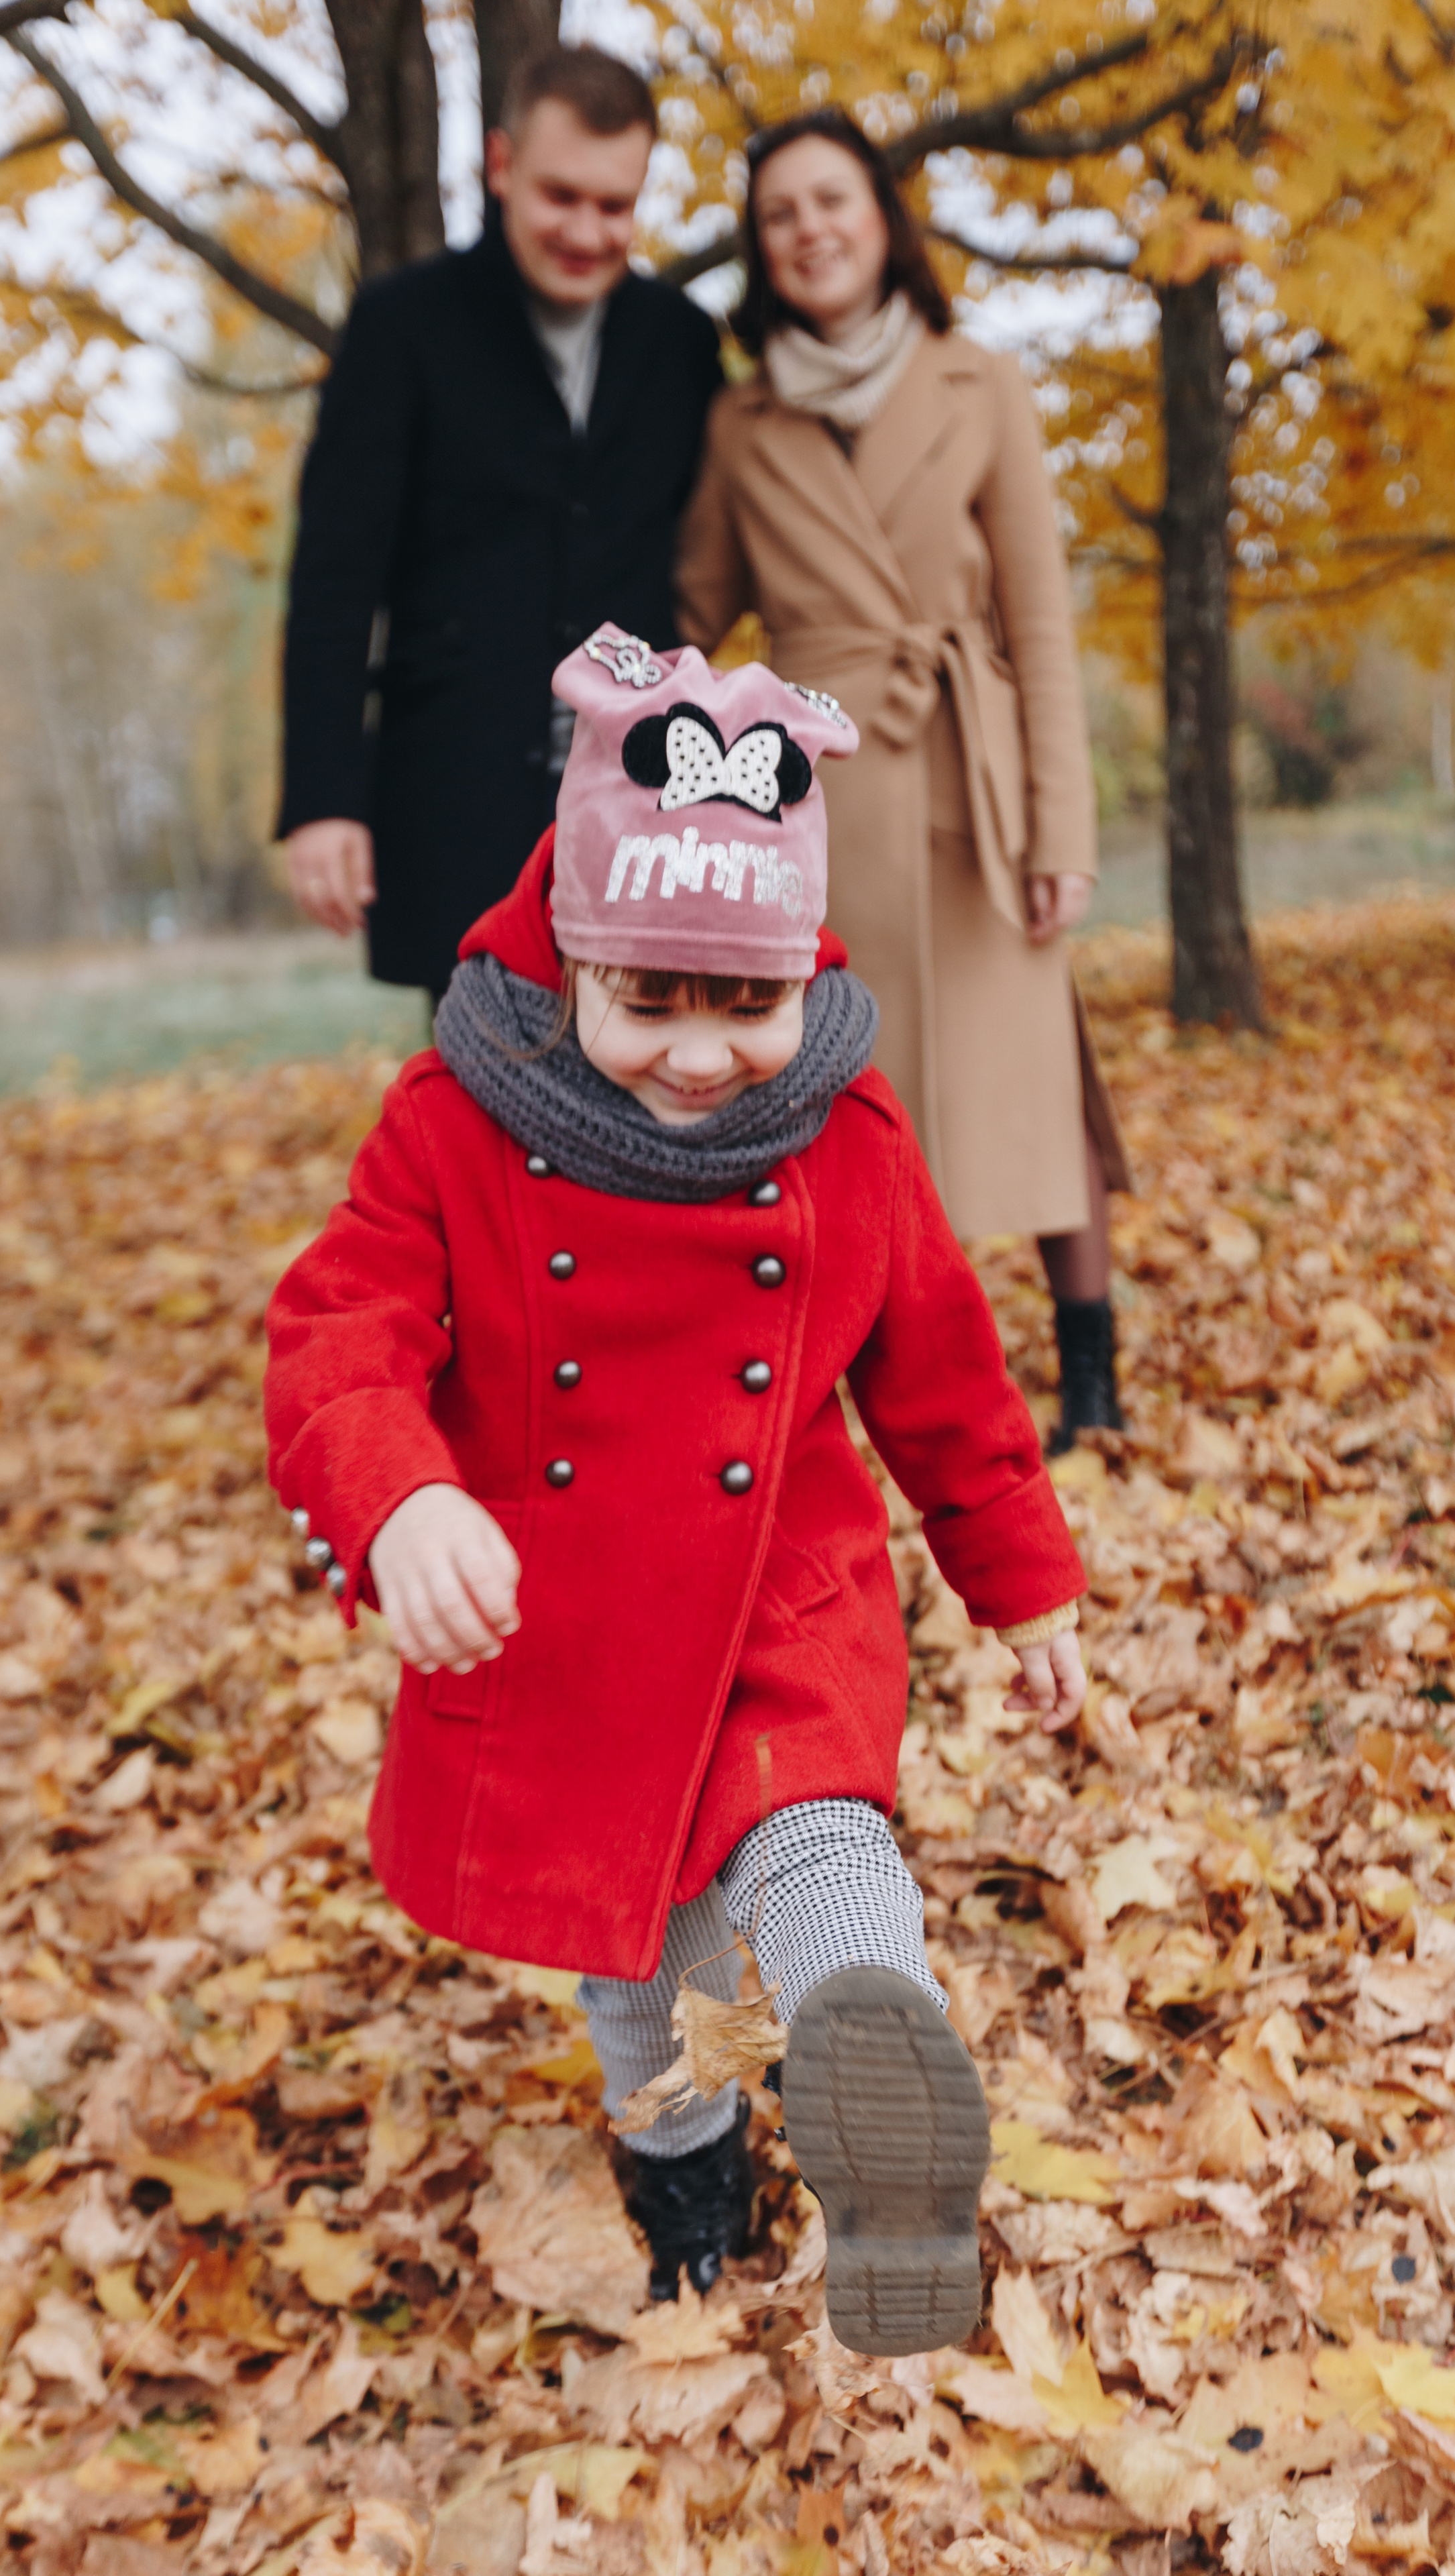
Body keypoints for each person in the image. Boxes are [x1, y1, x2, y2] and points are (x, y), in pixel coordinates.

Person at [265, 625, 1088, 2354]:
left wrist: (1019, 1580)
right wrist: (399, 1499)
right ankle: (689, 2167)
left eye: (746, 1005)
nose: (702, 1056)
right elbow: (337, 1332)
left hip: (781, 1599)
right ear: (570, 956)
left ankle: (877, 2071)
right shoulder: (456, 1123)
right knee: (644, 1977)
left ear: (802, 972)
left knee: (819, 1837)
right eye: (648, 1000)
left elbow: (938, 1370)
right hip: (558, 1616)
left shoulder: (842, 1133)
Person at [674, 108, 1132, 1450]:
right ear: (763, 250)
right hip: (815, 803)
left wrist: (1061, 825)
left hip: (970, 778)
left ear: (879, 219)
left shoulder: (975, 383)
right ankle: (863, 1381)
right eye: (780, 214)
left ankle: (1089, 1376)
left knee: (1027, 1074)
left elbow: (1038, 623)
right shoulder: (740, 423)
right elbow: (694, 616)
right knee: (840, 1099)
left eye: (834, 200)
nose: (810, 228)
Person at [277, 47, 722, 1005]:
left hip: (648, 808)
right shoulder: (401, 327)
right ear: (501, 166)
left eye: (616, 206)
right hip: (458, 799)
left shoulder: (684, 344)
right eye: (561, 196)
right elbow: (333, 577)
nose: (588, 230)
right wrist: (321, 799)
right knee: (487, 1117)